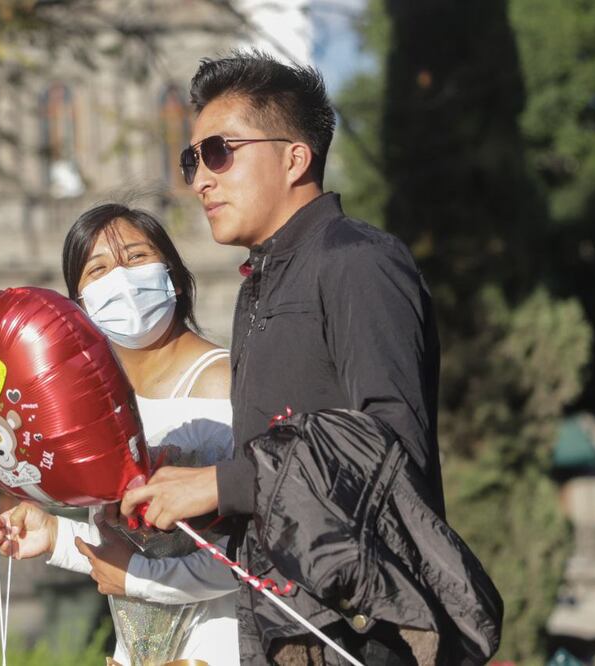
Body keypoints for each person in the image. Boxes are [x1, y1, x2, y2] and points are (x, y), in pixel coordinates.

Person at [119, 52, 446, 664]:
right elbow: (277, 493)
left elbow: (391, 447)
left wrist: (220, 482)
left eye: (219, 152)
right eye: (193, 159)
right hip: (282, 631)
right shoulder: (259, 288)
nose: (199, 179)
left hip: (365, 636)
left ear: (295, 157)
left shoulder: (358, 261)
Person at [0, 203, 240, 665]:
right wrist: (57, 536)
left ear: (175, 277)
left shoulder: (219, 382)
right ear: (79, 306)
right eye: (97, 269)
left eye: (137, 258)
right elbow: (130, 554)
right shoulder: (102, 406)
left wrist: (135, 578)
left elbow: (250, 559)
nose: (120, 281)